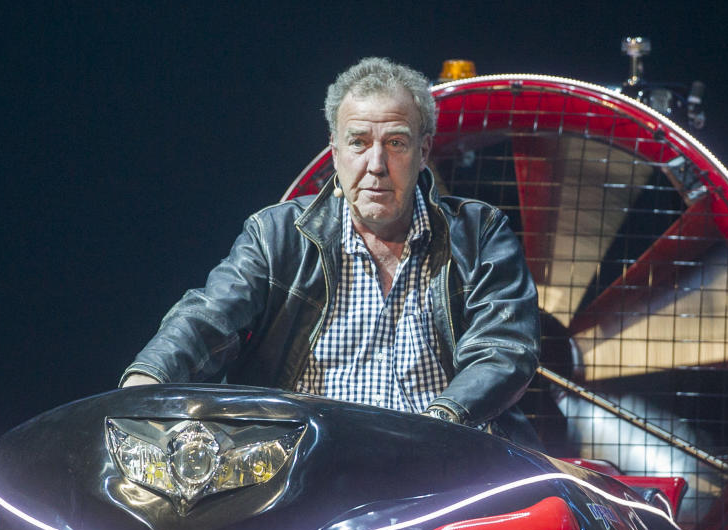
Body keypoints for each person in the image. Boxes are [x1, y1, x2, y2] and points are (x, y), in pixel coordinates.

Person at [121, 57, 541, 440]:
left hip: (442, 465)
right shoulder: (277, 235)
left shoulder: (480, 233)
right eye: (358, 142)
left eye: (395, 143)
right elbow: (207, 318)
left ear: (424, 151)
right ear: (335, 151)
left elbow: (504, 350)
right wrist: (144, 382)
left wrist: (439, 425)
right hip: (304, 473)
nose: (376, 164)